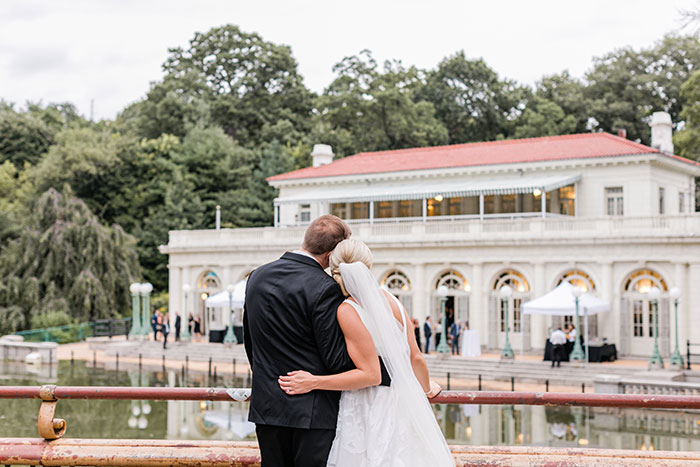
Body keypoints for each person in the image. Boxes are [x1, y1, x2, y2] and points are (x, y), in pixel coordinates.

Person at [279, 239, 454, 466]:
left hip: (370, 405)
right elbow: (416, 358)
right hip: (403, 402)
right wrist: (427, 388)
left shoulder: (347, 310)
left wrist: (313, 382)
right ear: (368, 265)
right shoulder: (392, 300)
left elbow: (371, 375)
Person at [243, 215, 389, 467]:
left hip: (267, 405)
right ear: (332, 254)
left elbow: (250, 342)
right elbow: (335, 359)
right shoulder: (325, 287)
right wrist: (388, 372)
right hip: (312, 411)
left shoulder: (257, 275)